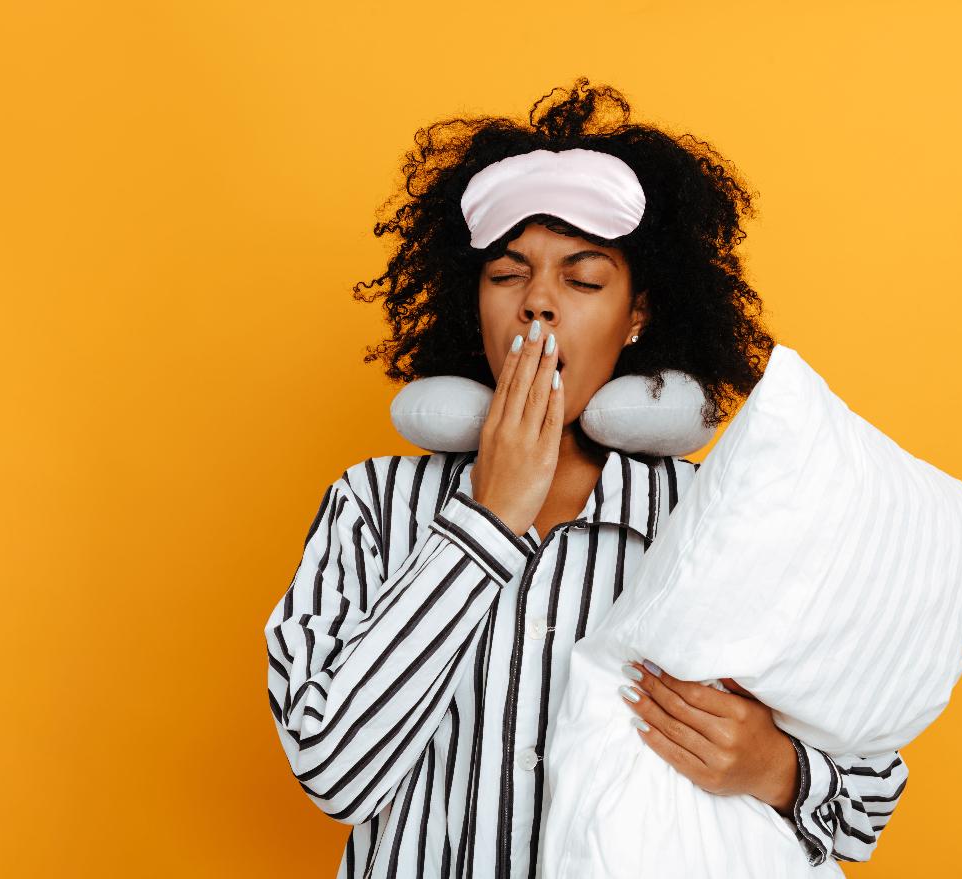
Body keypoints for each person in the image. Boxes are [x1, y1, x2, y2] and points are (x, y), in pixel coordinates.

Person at [264, 80, 907, 879]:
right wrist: (487, 519)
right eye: (507, 275)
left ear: (637, 313)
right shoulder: (372, 505)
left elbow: (873, 793)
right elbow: (334, 767)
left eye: (583, 279)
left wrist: (776, 768)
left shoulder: (714, 517)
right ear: (476, 305)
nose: (538, 303)